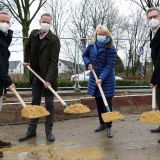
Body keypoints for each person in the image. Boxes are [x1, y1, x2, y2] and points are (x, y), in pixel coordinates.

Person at [19, 13, 60, 142]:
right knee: (35, 103)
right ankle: (32, 131)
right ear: (40, 21)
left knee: (49, 105)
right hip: (35, 74)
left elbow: (54, 61)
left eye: (48, 22)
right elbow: (27, 46)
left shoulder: (54, 40)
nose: (45, 24)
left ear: (50, 24)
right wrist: (26, 61)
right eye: (44, 21)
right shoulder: (33, 34)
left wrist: (48, 79)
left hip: (49, 76)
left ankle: (49, 131)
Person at [82, 25, 117, 138]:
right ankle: (102, 123)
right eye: (99, 34)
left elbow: (109, 65)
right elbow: (85, 55)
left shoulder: (110, 47)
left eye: (103, 34)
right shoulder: (91, 45)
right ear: (96, 34)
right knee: (99, 103)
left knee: (107, 103)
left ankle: (109, 127)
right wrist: (88, 63)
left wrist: (101, 78)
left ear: (107, 35)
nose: (100, 36)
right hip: (94, 78)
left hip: (106, 79)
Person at [0, 11, 16, 157]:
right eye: (2, 20)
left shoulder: (4, 37)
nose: (5, 23)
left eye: (7, 21)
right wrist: (8, 82)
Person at [146, 7, 160, 144]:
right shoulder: (153, 32)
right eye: (150, 18)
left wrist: (154, 79)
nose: (153, 20)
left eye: (155, 16)